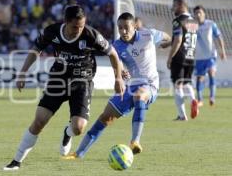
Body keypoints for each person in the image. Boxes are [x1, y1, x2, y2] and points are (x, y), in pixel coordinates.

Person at [3, 5, 125, 170]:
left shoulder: (91, 35)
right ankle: (16, 161)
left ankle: (68, 133)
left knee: (78, 128)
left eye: (82, 26)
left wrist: (118, 78)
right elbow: (35, 50)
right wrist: (23, 72)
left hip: (82, 81)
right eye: (75, 26)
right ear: (66, 22)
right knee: (39, 121)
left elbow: (113, 54)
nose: (79, 30)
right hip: (58, 79)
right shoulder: (51, 32)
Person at [62, 12, 171, 159]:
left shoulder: (149, 35)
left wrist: (166, 43)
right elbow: (116, 61)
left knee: (140, 95)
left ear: (134, 26)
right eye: (120, 28)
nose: (123, 31)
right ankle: (78, 153)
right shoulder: (117, 45)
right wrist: (121, 72)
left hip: (150, 85)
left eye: (126, 27)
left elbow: (168, 37)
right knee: (105, 117)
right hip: (130, 86)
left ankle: (135, 142)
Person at [167, 0, 199, 121]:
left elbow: (179, 39)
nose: (172, 8)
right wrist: (169, 43)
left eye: (174, 6)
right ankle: (193, 99)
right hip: (191, 56)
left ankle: (182, 115)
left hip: (179, 57)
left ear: (181, 5)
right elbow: (185, 38)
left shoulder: (178, 21)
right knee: (186, 82)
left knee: (177, 85)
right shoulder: (193, 21)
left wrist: (170, 57)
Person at [193, 5, 227, 107]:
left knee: (212, 73)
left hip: (211, 56)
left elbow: (219, 37)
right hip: (199, 57)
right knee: (200, 78)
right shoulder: (192, 26)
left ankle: (212, 97)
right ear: (194, 15)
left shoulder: (211, 24)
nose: (198, 15)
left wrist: (223, 51)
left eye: (200, 12)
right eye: (196, 13)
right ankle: (200, 100)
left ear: (204, 14)